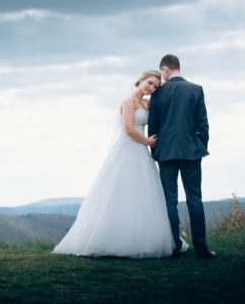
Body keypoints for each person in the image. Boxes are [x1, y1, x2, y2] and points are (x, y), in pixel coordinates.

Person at [53, 70, 183, 258]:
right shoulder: (128, 101)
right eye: (149, 83)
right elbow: (129, 129)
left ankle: (141, 238)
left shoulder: (147, 103)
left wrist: (164, 90)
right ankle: (113, 239)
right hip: (128, 149)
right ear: (141, 80)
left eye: (155, 86)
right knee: (121, 191)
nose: (151, 88)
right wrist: (147, 142)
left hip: (141, 153)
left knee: (142, 194)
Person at [148, 54, 215, 258]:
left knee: (170, 200)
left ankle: (174, 246)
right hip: (190, 153)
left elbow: (153, 127)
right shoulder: (196, 89)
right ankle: (201, 248)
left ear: (165, 69)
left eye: (161, 72)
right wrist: (199, 148)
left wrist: (156, 152)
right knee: (195, 198)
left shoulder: (158, 93)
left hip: (166, 153)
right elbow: (203, 125)